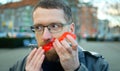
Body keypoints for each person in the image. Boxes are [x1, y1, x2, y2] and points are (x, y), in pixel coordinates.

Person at [10, 0, 109, 71]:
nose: (45, 36)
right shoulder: (19, 66)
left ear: (71, 29)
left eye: (54, 26)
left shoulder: (98, 65)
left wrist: (75, 69)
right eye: (39, 27)